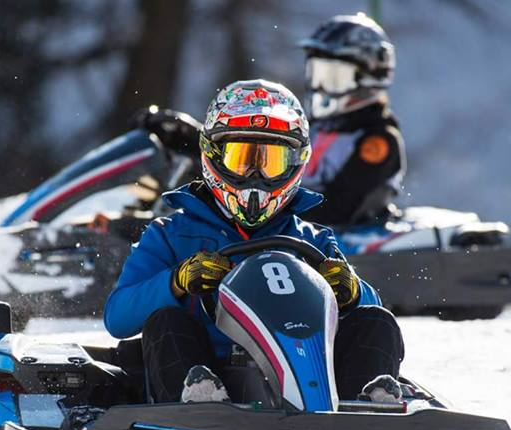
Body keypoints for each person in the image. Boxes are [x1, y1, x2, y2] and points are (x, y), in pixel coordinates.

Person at [103, 79, 404, 404]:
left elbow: (370, 307)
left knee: (376, 320)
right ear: (213, 155)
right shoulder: (169, 235)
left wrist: (353, 291)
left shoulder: (313, 241)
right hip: (209, 373)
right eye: (242, 160)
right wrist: (176, 282)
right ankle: (199, 403)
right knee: (165, 321)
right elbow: (118, 318)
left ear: (296, 162)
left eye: (271, 163)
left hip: (304, 374)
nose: (255, 177)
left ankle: (365, 409)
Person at [298, 13, 406, 228]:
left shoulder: (378, 141)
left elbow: (337, 208)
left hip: (345, 239)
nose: (321, 86)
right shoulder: (315, 127)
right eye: (317, 74)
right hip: (298, 234)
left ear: (368, 77)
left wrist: (277, 215)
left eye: (334, 77)